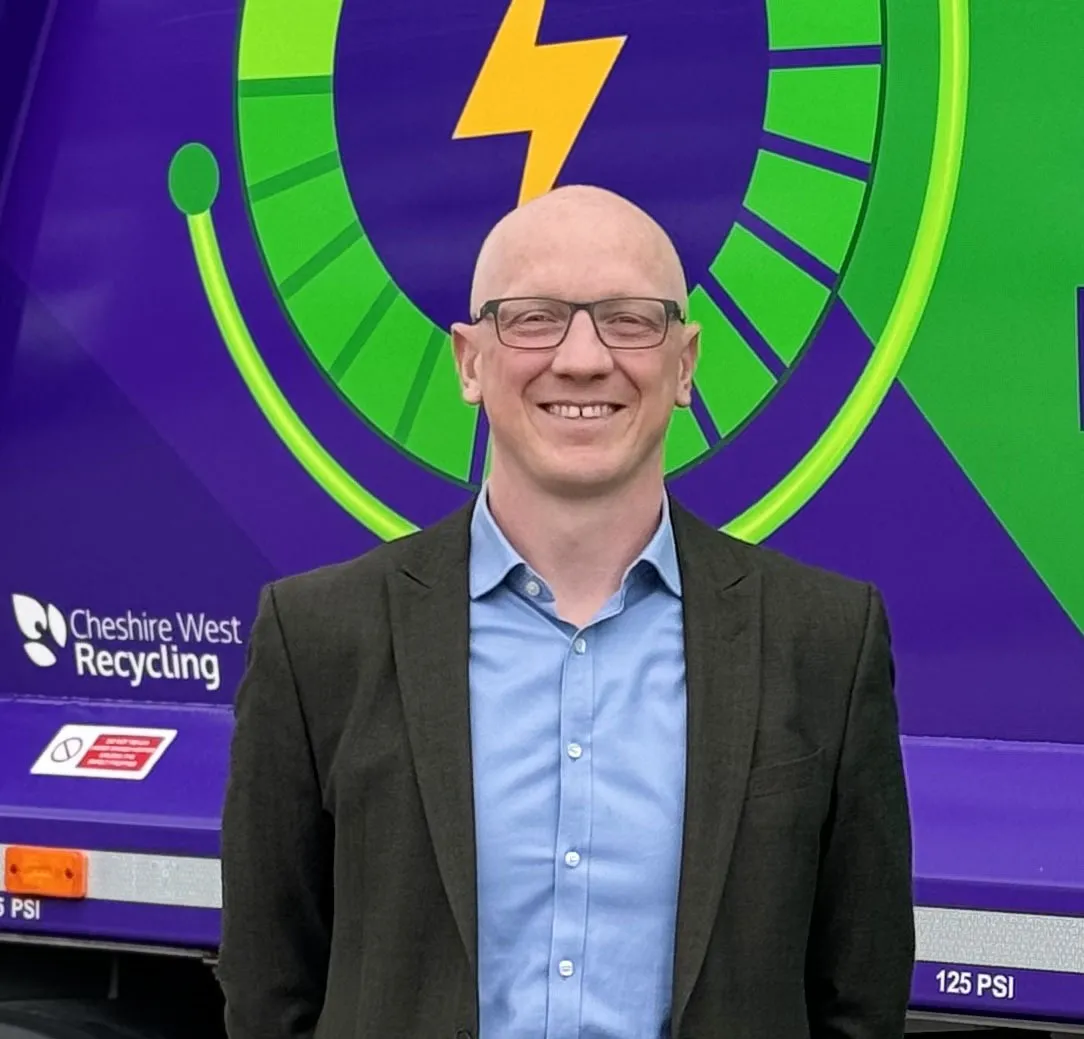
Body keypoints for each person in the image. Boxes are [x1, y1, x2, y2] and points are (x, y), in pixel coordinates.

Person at [217, 185, 915, 1039]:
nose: (583, 359)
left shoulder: (825, 642)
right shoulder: (319, 638)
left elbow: (860, 1003)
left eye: (629, 320)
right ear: (469, 362)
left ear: (686, 362)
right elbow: (268, 994)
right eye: (534, 318)